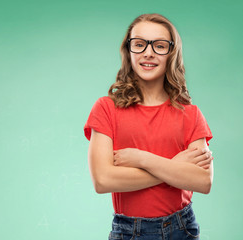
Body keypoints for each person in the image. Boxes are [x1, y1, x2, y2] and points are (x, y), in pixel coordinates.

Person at [84, 13, 213, 240]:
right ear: (128, 50)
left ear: (171, 54)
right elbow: (103, 180)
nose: (148, 52)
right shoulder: (107, 108)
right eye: (140, 44)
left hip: (181, 228)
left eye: (159, 45)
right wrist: (174, 168)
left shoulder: (190, 114)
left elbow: (202, 181)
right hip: (128, 231)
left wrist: (143, 159)